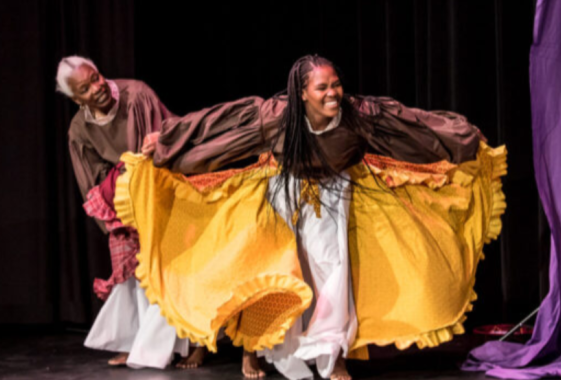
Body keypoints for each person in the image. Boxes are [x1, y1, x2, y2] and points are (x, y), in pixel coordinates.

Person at [136, 54, 506, 379]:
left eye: (336, 84)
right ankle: (256, 346)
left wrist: (464, 136)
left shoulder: (360, 116)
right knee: (271, 269)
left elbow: (416, 125)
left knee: (333, 272)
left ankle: (333, 357)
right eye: (322, 87)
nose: (333, 93)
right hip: (282, 189)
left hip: (334, 192)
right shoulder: (275, 117)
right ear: (301, 93)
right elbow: (215, 125)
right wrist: (167, 140)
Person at [57, 56, 204, 369]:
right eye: (85, 88)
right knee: (134, 274)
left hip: (161, 189)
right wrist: (113, 220)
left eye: (96, 78)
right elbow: (91, 182)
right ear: (75, 98)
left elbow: (168, 136)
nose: (97, 88)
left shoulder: (135, 95)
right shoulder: (80, 130)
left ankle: (182, 345)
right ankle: (139, 342)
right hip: (126, 200)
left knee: (171, 269)